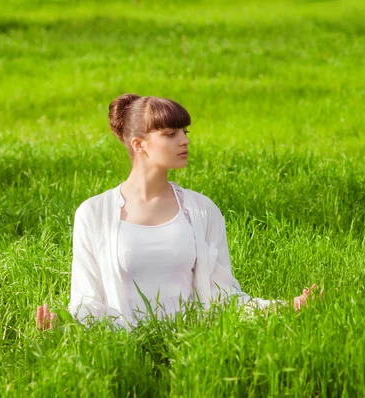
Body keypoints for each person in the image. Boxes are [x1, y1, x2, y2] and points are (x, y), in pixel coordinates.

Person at [36, 94, 322, 331]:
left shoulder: (201, 210)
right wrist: (62, 326)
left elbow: (224, 296)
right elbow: (88, 300)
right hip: (124, 354)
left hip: (191, 350)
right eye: (170, 134)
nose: (184, 141)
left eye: (185, 132)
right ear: (139, 144)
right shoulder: (93, 213)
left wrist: (286, 307)